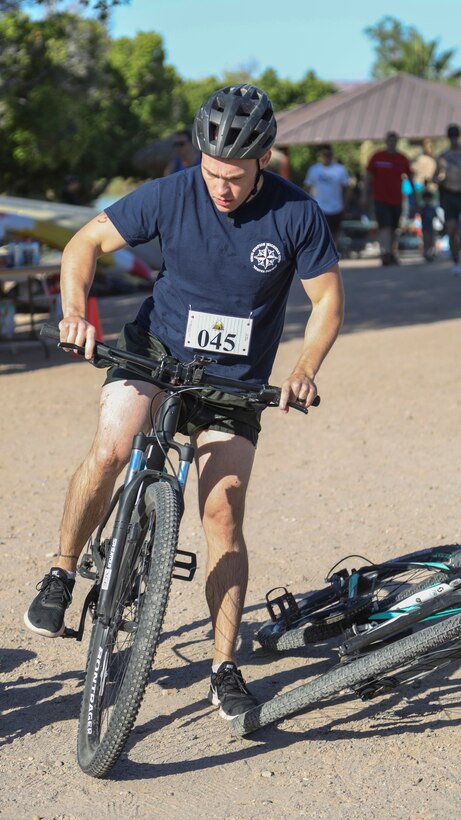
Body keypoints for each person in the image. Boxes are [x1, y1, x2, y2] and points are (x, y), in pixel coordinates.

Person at [24, 84, 344, 721]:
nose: (220, 187)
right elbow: (82, 244)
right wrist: (71, 313)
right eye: (212, 171)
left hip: (235, 381)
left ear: (265, 161)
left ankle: (224, 664)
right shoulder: (173, 192)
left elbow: (328, 301)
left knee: (223, 510)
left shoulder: (297, 213)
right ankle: (61, 571)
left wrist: (305, 367)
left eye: (235, 176)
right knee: (115, 444)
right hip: (156, 353)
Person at [363, 131, 416, 266]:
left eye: (394, 141)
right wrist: (364, 195)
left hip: (397, 199)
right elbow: (368, 177)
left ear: (396, 142)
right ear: (386, 142)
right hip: (380, 198)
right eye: (389, 141)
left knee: (393, 227)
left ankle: (391, 252)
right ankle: (386, 253)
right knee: (385, 226)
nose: (391, 143)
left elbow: (410, 178)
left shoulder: (402, 159)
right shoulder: (377, 157)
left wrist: (414, 196)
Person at [303, 145, 350, 247]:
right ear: (321, 155)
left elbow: (347, 188)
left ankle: (334, 253)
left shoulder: (340, 169)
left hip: (336, 207)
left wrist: (345, 204)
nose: (327, 157)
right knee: (321, 233)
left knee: (335, 232)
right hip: (320, 207)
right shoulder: (314, 170)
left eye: (329, 155)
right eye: (324, 155)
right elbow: (307, 188)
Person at [434, 124, 461, 274]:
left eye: (455, 135)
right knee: (451, 230)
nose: (453, 139)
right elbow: (434, 177)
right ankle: (455, 259)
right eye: (451, 136)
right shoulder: (443, 157)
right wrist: (440, 179)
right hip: (449, 195)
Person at [420, 189, 437, 262]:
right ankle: (426, 253)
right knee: (426, 241)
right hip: (425, 228)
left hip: (431, 227)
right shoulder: (423, 209)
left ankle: (430, 253)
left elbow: (436, 217)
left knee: (432, 241)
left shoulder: (432, 208)